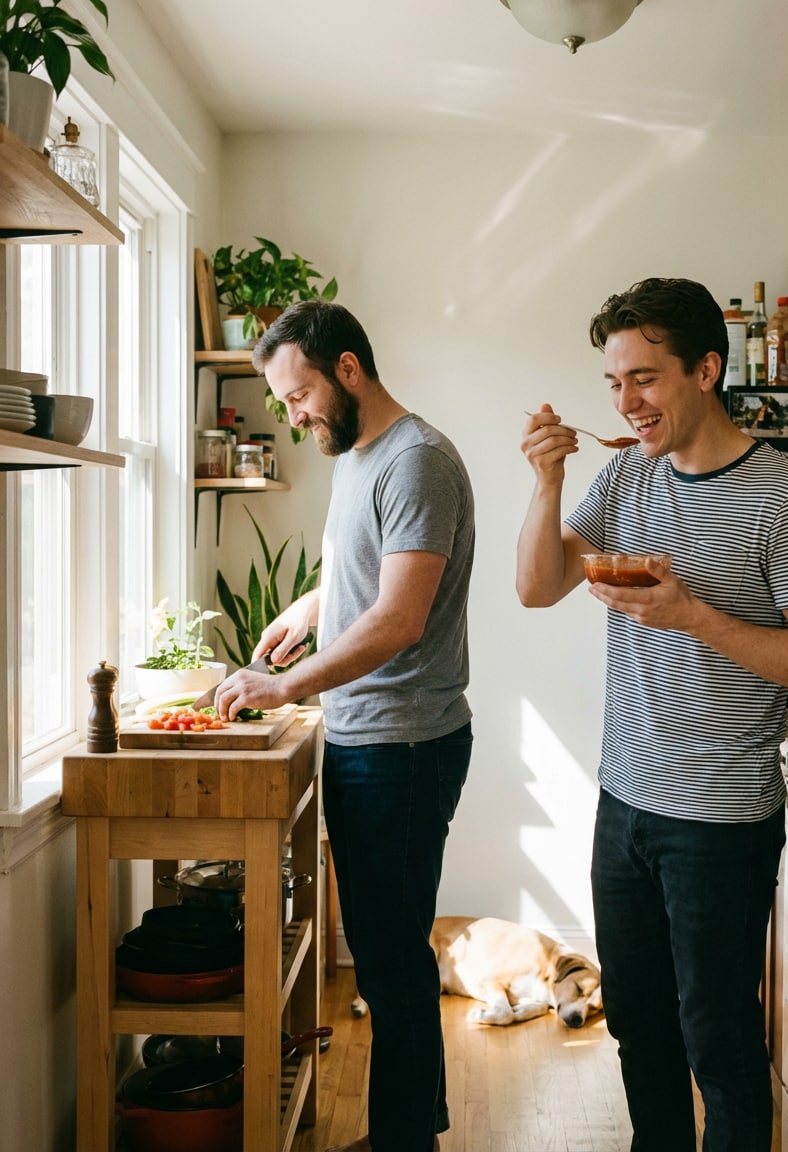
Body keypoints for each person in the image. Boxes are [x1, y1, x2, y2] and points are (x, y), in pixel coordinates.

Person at [516, 277, 788, 1152]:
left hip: (721, 822)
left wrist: (692, 614)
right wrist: (548, 481)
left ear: (706, 370)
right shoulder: (627, 473)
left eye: (645, 378)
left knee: (720, 1042)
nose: (627, 402)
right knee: (639, 1024)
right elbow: (537, 587)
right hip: (624, 805)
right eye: (614, 383)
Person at [212, 299, 475, 1152]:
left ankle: (404, 1140)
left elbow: (399, 618)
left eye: (299, 396)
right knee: (385, 952)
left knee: (390, 963)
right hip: (370, 738)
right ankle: (413, 1126)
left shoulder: (417, 461)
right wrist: (309, 608)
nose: (294, 417)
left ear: (349, 370)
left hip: (405, 747)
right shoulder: (359, 455)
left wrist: (283, 684)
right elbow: (372, 573)